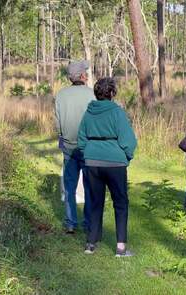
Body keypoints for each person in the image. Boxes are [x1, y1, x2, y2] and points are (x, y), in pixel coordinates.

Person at [77, 77, 137, 257]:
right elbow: (128, 141)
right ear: (112, 93)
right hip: (115, 163)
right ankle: (120, 247)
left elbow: (81, 140)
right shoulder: (117, 112)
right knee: (120, 203)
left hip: (92, 162)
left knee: (95, 202)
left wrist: (88, 154)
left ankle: (90, 243)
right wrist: (126, 157)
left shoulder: (88, 113)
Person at [55, 60, 95, 234]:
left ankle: (71, 223)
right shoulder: (91, 95)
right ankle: (88, 222)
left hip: (68, 146)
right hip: (88, 146)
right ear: (82, 76)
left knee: (70, 187)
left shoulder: (61, 95)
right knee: (89, 186)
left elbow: (57, 123)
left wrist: (62, 136)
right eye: (85, 72)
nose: (86, 74)